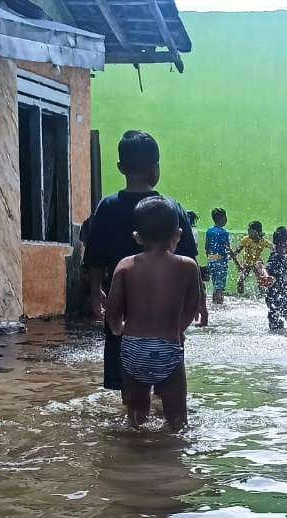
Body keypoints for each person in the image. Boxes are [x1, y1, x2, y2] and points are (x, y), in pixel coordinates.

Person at [83, 130, 206, 392]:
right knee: (170, 383)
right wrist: (201, 302)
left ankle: (133, 419)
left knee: (128, 386)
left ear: (120, 167)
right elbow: (191, 259)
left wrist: (96, 293)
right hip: (166, 309)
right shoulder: (170, 208)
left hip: (124, 302)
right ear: (155, 168)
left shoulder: (108, 207)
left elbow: (94, 255)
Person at [104, 196, 201, 429]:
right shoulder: (187, 266)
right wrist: (178, 330)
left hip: (133, 348)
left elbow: (113, 310)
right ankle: (171, 459)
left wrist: (119, 331)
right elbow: (192, 306)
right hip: (168, 347)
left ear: (137, 237)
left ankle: (136, 455)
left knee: (136, 418)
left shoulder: (125, 265)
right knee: (178, 420)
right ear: (177, 235)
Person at [236, 221, 271, 295]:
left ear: (256, 232)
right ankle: (240, 295)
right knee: (240, 280)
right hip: (246, 263)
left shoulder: (263, 241)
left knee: (261, 279)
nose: (248, 232)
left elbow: (273, 248)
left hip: (257, 263)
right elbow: (238, 250)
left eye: (249, 230)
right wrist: (231, 255)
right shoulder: (246, 239)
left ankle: (263, 295)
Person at [205, 208, 232, 305]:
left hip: (211, 260)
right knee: (220, 286)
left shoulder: (209, 231)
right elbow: (228, 248)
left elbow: (207, 247)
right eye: (225, 217)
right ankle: (219, 306)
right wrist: (235, 260)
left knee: (215, 283)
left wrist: (210, 258)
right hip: (221, 260)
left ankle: (214, 303)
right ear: (222, 218)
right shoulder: (224, 233)